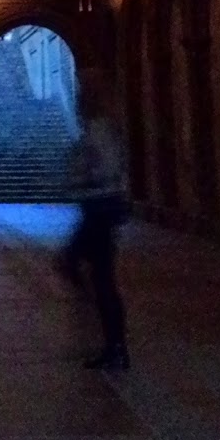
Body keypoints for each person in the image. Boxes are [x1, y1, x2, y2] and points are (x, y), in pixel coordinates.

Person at [60, 104, 129, 370]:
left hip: (99, 211)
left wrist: (82, 178)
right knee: (94, 273)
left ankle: (115, 344)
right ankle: (114, 342)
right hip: (97, 210)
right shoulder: (99, 129)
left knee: (97, 276)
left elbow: (106, 171)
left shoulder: (99, 131)